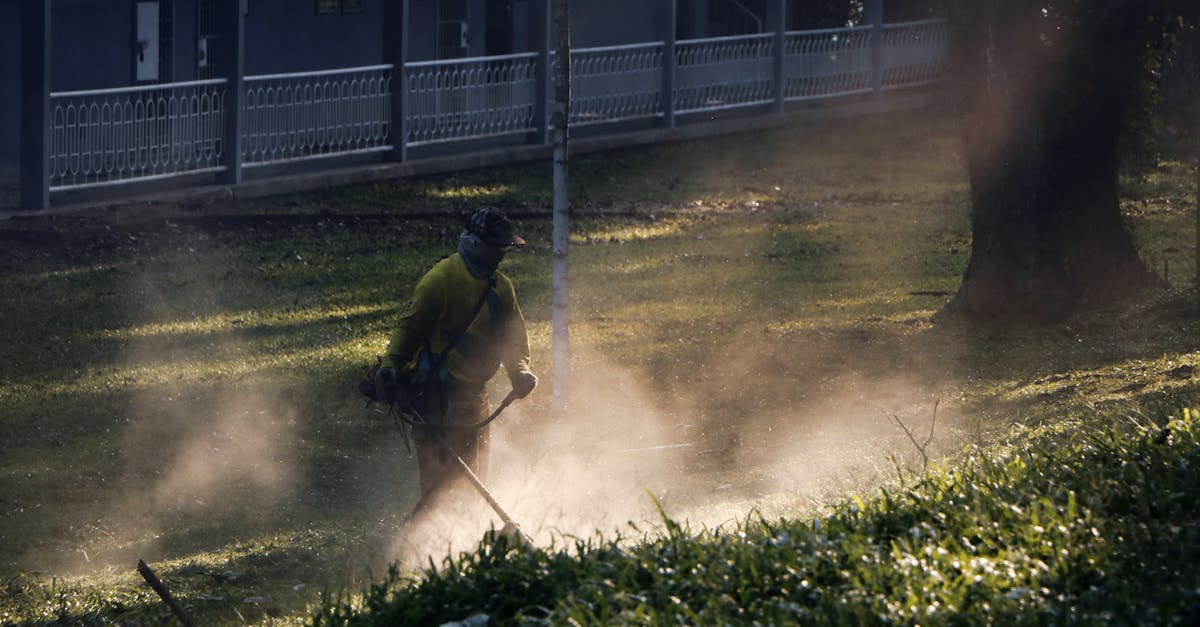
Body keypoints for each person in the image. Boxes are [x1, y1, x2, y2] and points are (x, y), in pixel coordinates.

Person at [377, 207, 538, 505]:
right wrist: (390, 365)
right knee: (436, 484)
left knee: (473, 483)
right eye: (495, 248)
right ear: (476, 244)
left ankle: (467, 541)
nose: (500, 256)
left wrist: (519, 372)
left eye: (503, 249)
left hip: (474, 397)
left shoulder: (502, 288)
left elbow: (513, 338)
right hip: (434, 395)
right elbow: (410, 329)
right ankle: (427, 542)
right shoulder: (441, 279)